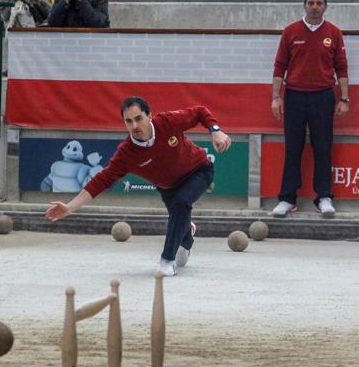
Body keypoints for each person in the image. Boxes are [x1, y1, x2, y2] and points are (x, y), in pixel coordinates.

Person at [45, 97, 232, 276]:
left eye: (138, 119)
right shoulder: (126, 154)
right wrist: (70, 207)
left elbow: (200, 111)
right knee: (180, 218)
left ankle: (166, 262)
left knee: (181, 204)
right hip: (168, 188)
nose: (134, 126)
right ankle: (187, 233)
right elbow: (100, 181)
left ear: (149, 116)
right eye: (129, 121)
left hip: (199, 171)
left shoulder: (168, 122)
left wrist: (215, 130)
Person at [270, 0, 349, 218]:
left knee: (322, 148)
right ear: (304, 6)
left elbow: (341, 67)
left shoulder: (333, 33)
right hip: (294, 96)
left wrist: (344, 98)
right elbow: (279, 66)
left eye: (319, 3)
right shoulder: (290, 31)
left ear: (326, 7)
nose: (315, 6)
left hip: (323, 97)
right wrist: (276, 97)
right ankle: (287, 199)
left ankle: (324, 197)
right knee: (293, 148)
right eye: (311, 3)